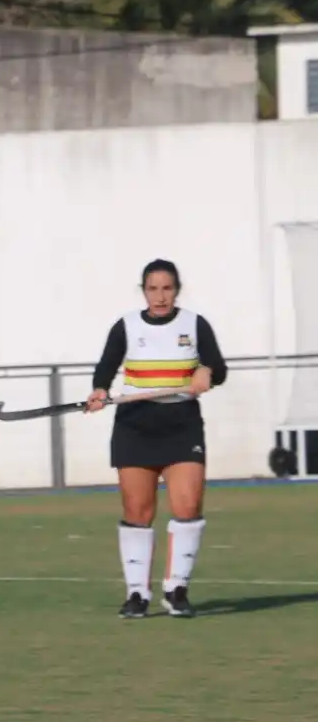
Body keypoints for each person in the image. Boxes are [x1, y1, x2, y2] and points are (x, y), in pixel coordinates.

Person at [87, 258, 227, 619]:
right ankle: (137, 594)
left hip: (182, 423)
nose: (160, 296)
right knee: (138, 511)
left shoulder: (194, 324)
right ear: (144, 291)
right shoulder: (127, 325)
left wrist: (207, 371)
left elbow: (218, 368)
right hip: (135, 423)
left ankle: (176, 590)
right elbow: (106, 366)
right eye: (153, 289)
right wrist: (99, 390)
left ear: (177, 290)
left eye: (167, 288)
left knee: (188, 505)